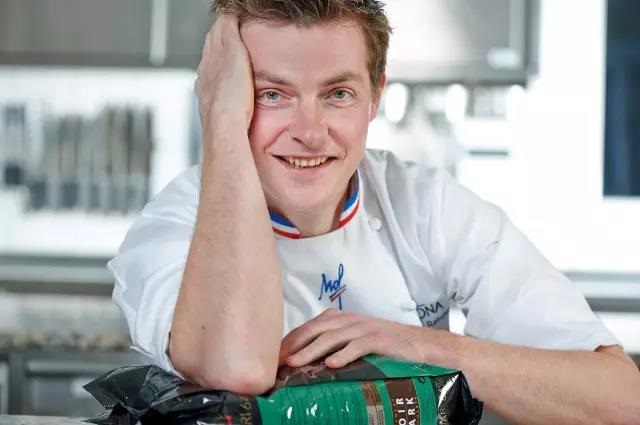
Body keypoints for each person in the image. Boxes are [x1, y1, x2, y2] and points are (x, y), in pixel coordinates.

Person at [108, 0, 640, 423]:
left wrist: (411, 345)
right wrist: (221, 120)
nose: (309, 132)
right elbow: (238, 369)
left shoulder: (424, 205)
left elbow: (622, 400)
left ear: (374, 98)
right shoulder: (173, 228)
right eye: (271, 95)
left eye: (337, 93)